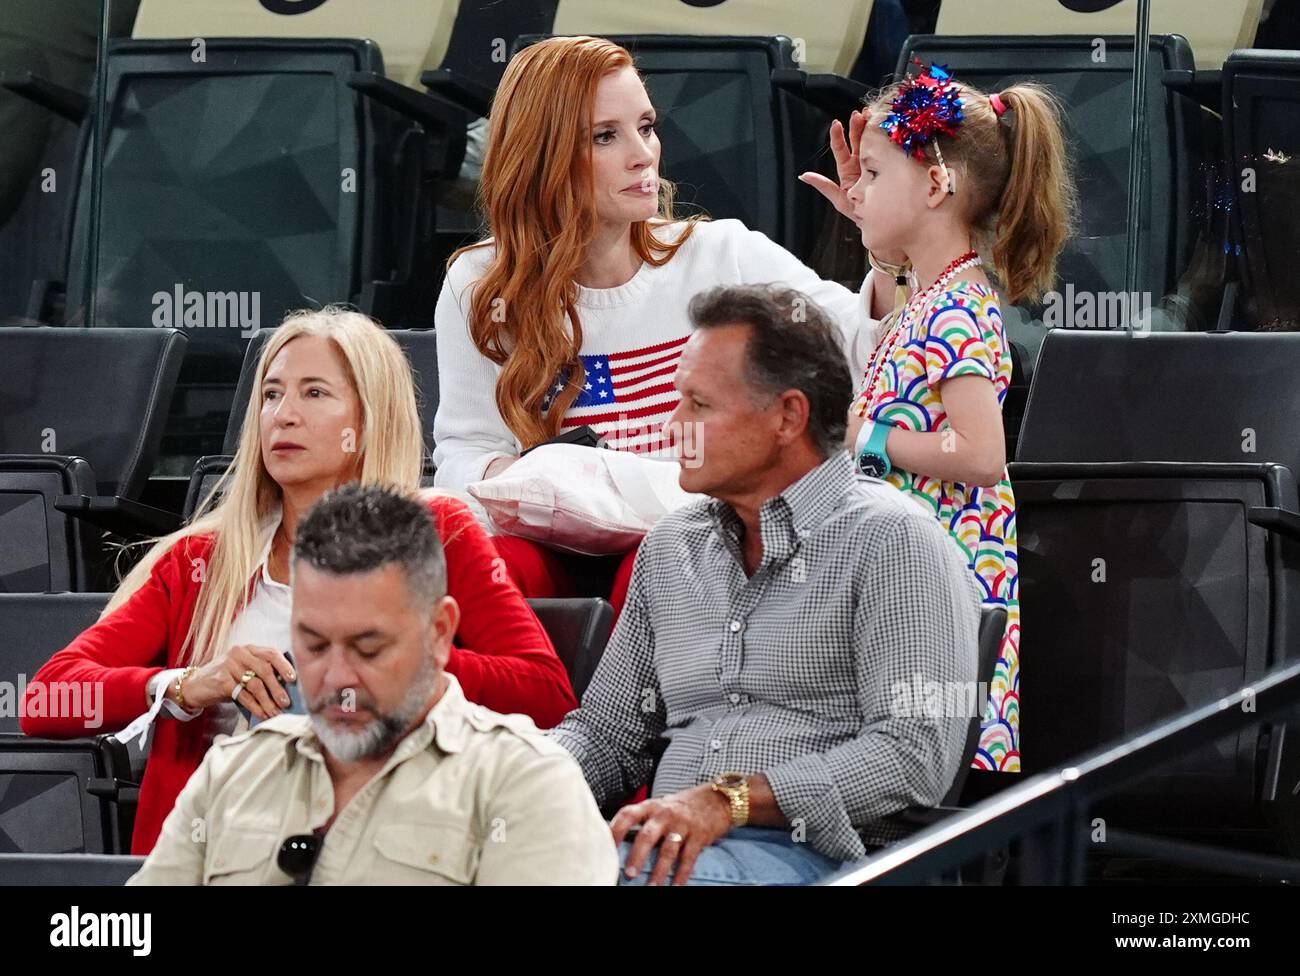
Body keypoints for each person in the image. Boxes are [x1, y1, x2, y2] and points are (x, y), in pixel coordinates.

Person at [22, 307, 576, 854]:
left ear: (367, 421)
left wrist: (398, 662)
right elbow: (47, 699)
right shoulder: (203, 559)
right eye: (271, 394)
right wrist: (188, 685)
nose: (283, 415)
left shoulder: (440, 533)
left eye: (314, 393)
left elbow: (545, 694)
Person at [432, 35, 898, 611]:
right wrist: (555, 482)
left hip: (690, 537)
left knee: (661, 554)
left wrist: (889, 246)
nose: (643, 153)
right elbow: (464, 453)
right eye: (607, 136)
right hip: (549, 541)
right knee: (481, 563)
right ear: (542, 155)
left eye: (646, 126)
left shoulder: (719, 255)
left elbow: (868, 349)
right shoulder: (480, 283)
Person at [548, 284, 981, 886]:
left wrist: (730, 801)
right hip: (665, 854)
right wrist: (504, 782)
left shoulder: (894, 542)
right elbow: (606, 736)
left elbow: (914, 755)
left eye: (698, 404)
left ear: (788, 416)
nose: (673, 427)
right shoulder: (672, 547)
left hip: (832, 859)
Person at [128, 484, 617, 885]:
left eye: (369, 648)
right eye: (314, 645)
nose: (339, 678)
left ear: (440, 633)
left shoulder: (524, 785)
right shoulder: (231, 775)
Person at [832, 65, 1078, 773]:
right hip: (911, 579)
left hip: (949, 587)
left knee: (927, 771)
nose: (857, 190)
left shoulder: (960, 309)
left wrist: (864, 437)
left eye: (874, 175)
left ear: (936, 186)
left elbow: (978, 455)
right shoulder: (929, 297)